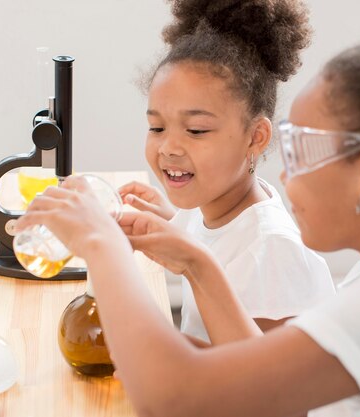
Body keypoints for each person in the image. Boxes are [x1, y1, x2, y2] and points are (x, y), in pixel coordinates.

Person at [16, 22, 360, 417]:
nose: (284, 172)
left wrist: (102, 246)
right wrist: (192, 258)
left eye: (300, 150)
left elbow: (175, 398)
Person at [117, 0, 333, 341]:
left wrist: (160, 351)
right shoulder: (215, 205)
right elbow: (217, 241)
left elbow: (260, 382)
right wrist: (169, 219)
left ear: (255, 137)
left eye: (197, 130)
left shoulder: (271, 251)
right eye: (157, 128)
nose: (169, 147)